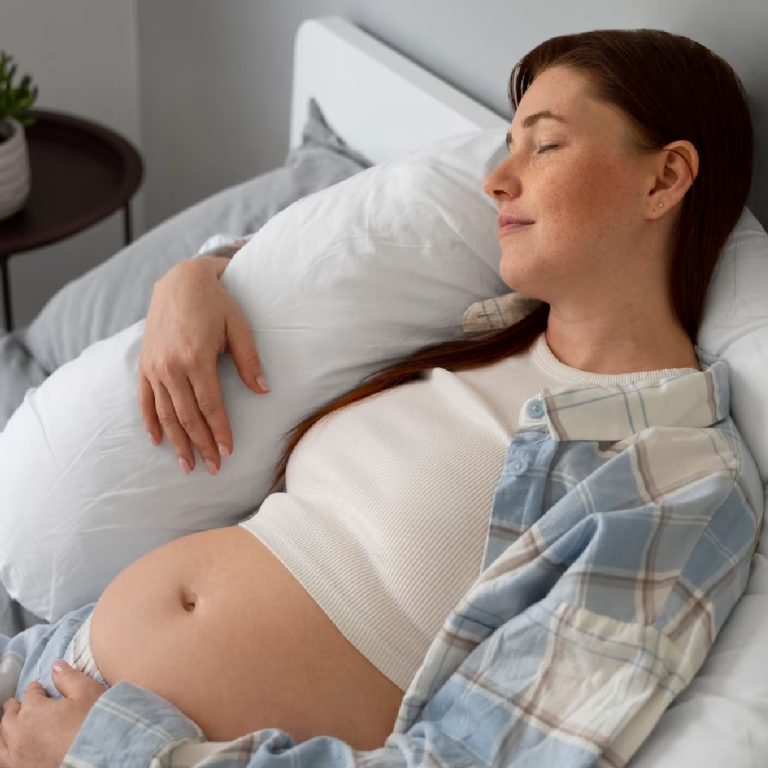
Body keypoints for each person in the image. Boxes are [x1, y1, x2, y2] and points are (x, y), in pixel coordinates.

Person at [0, 28, 761, 768]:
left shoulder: (675, 481)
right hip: (43, 680)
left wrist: (108, 751)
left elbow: (467, 758)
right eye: (508, 144)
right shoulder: (480, 331)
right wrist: (198, 279)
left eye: (546, 143)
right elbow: (326, 279)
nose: (498, 178)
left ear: (664, 179)